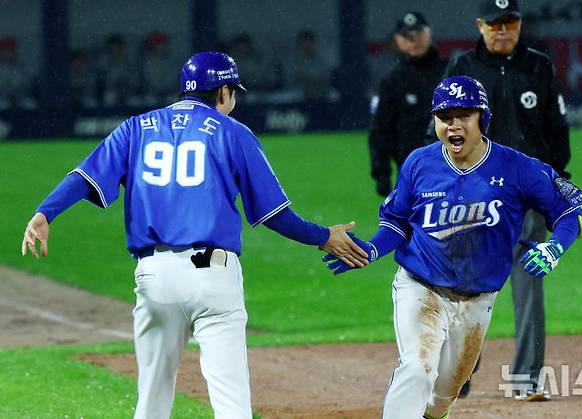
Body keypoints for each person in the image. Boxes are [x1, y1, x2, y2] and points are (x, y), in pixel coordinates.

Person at [21, 51, 368, 419]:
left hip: (155, 278)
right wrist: (323, 236)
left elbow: (83, 176)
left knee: (151, 400)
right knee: (231, 401)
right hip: (214, 279)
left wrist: (45, 213)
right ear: (222, 92)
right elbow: (274, 215)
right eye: (233, 91)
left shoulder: (136, 128)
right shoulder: (234, 134)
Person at [323, 76, 582, 419]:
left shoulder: (515, 167)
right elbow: (396, 221)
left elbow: (576, 210)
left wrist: (554, 248)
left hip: (478, 299)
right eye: (444, 116)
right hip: (420, 286)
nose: (453, 124)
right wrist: (373, 249)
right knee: (417, 369)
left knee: (442, 397)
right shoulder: (419, 163)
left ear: (483, 119)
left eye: (464, 115)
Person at [441, 0, 571, 400]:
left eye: (510, 22)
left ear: (519, 24)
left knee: (530, 279)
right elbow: (443, 128)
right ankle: (459, 374)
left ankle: (526, 379)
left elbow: (556, 131)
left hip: (526, 196)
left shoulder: (539, 66)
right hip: (475, 197)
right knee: (464, 287)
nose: (503, 30)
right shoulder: (462, 67)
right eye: (495, 23)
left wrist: (554, 185)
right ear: (480, 25)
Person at [368, 12, 448, 197]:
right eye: (407, 36)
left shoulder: (451, 70)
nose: (414, 40)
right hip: (411, 171)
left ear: (429, 33)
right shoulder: (392, 81)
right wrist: (381, 173)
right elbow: (381, 130)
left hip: (454, 166)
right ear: (398, 40)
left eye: (418, 33)